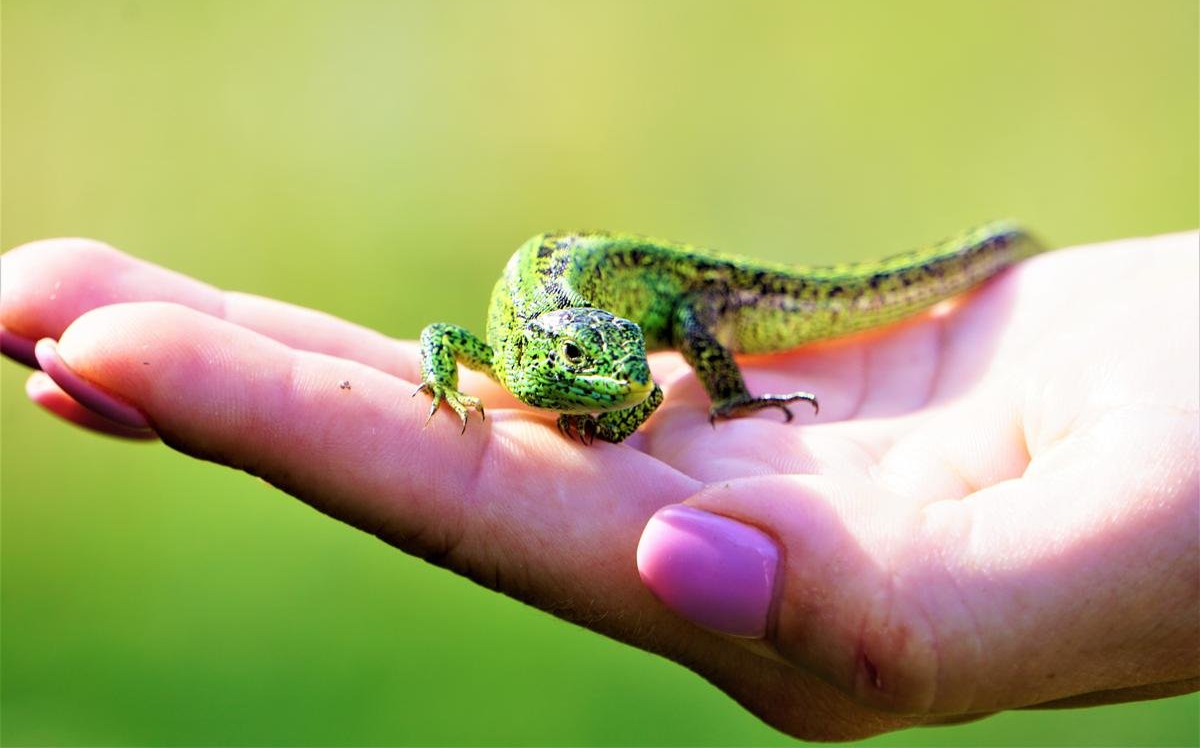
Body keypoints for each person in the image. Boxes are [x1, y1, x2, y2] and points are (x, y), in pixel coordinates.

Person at [1, 232, 1196, 741]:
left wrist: (707, 383)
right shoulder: (518, 351)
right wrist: (438, 383)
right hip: (599, 284)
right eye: (597, 373)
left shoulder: (626, 340)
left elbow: (652, 349)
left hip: (663, 278)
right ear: (553, 358)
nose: (624, 396)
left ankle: (954, 263)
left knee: (724, 313)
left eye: (635, 375)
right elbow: (437, 336)